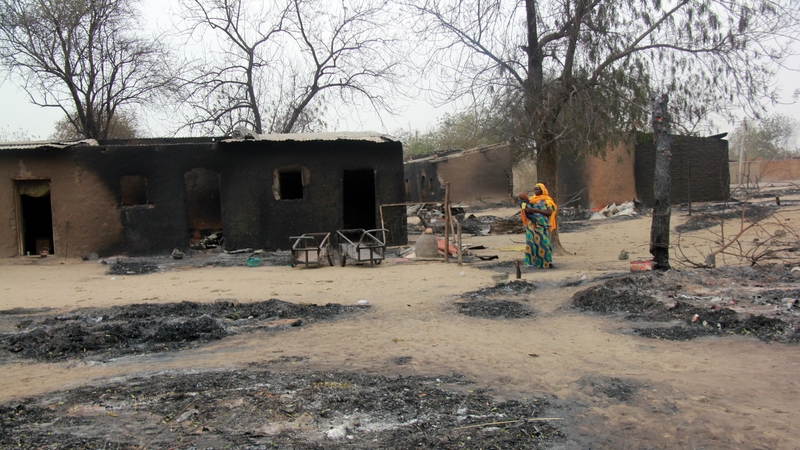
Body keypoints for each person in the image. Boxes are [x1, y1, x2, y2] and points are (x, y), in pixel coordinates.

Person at [519, 183, 557, 269]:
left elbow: (549, 212)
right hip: (531, 225)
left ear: (542, 190)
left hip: (542, 224)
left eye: (537, 189)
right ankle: (531, 264)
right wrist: (527, 211)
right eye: (534, 189)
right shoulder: (531, 200)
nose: (535, 191)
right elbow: (524, 208)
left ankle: (546, 263)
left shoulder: (547, 200)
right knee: (531, 243)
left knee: (545, 243)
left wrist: (537, 210)